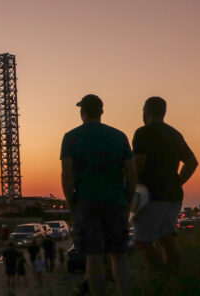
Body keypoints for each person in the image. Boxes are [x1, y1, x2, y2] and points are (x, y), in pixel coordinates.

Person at [61, 94, 137, 296]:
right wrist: (127, 201)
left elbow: (67, 176)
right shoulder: (119, 136)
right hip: (116, 202)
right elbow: (131, 173)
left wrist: (72, 205)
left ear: (81, 112)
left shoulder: (71, 137)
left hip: (86, 202)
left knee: (93, 256)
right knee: (119, 254)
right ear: (101, 112)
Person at [132, 96, 199, 270]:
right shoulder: (174, 134)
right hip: (173, 195)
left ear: (146, 111)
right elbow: (192, 162)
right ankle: (174, 278)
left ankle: (161, 278)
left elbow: (138, 163)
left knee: (142, 242)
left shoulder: (143, 133)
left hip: (151, 195)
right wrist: (178, 182)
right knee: (166, 238)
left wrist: (129, 188)